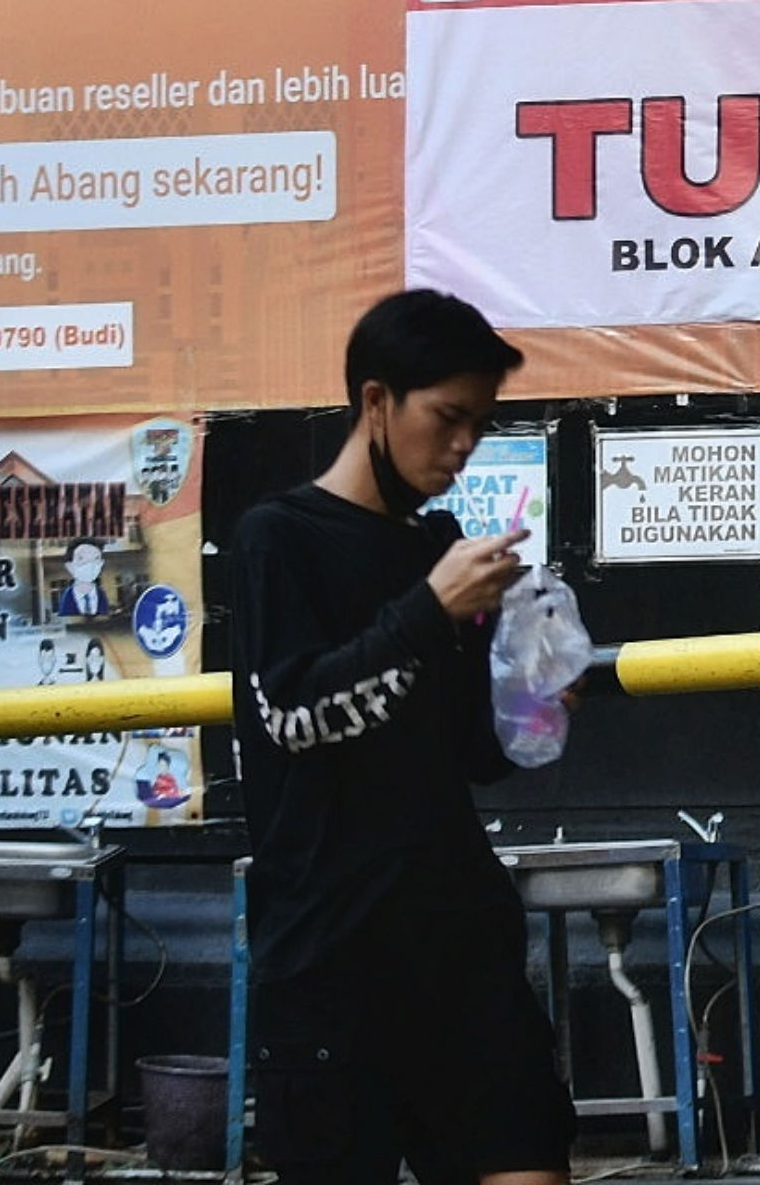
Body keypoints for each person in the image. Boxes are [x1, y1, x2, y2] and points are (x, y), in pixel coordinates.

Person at [231, 289, 571, 1185]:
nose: (463, 446)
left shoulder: (438, 549)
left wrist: (537, 695)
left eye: (481, 425)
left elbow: (474, 757)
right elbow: (293, 719)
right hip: (333, 961)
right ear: (376, 401)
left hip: (462, 945)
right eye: (448, 418)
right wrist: (428, 612)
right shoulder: (280, 538)